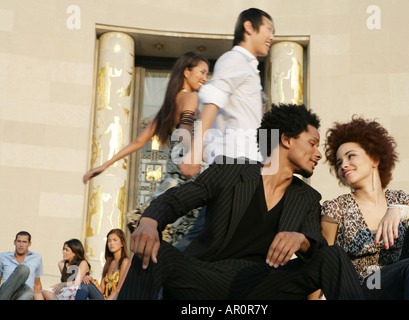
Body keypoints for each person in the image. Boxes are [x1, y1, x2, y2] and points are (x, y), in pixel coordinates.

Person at [116, 104, 365, 300]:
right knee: (153, 251)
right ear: (286, 139)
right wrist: (149, 221)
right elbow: (177, 198)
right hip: (208, 278)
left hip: (264, 285)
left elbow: (318, 250)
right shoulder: (230, 171)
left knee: (333, 255)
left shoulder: (307, 197)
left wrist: (299, 240)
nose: (319, 154)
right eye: (312, 144)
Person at [82, 51, 210, 246]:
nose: (204, 78)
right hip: (186, 180)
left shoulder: (169, 105)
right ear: (186, 71)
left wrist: (104, 165)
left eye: (207, 74)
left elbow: (138, 142)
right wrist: (191, 158)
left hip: (169, 182)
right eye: (201, 72)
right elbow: (185, 129)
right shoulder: (191, 98)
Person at [320, 115, 409, 300]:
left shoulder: (398, 198)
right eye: (339, 163)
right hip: (364, 289)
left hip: (405, 280)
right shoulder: (335, 208)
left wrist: (400, 210)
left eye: (351, 156)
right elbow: (322, 261)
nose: (344, 165)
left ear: (374, 159)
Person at [179, 7, 275, 177]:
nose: (272, 37)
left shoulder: (249, 66)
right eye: (268, 29)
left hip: (248, 162)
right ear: (249, 27)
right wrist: (194, 152)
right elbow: (212, 102)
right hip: (234, 162)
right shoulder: (234, 59)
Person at [75, 229, 129, 300]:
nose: (111, 243)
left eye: (115, 240)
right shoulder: (109, 263)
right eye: (109, 241)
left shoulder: (124, 262)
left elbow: (119, 289)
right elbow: (101, 290)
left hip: (117, 298)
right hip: (104, 298)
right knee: (85, 284)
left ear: (122, 243)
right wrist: (91, 280)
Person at [0, 231, 43, 300]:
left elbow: (37, 284)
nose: (21, 245)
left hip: (25, 294)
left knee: (29, 293)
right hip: (6, 293)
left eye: (24, 242)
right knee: (24, 269)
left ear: (29, 244)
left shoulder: (37, 258)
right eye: (19, 241)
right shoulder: (3, 257)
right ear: (14, 242)